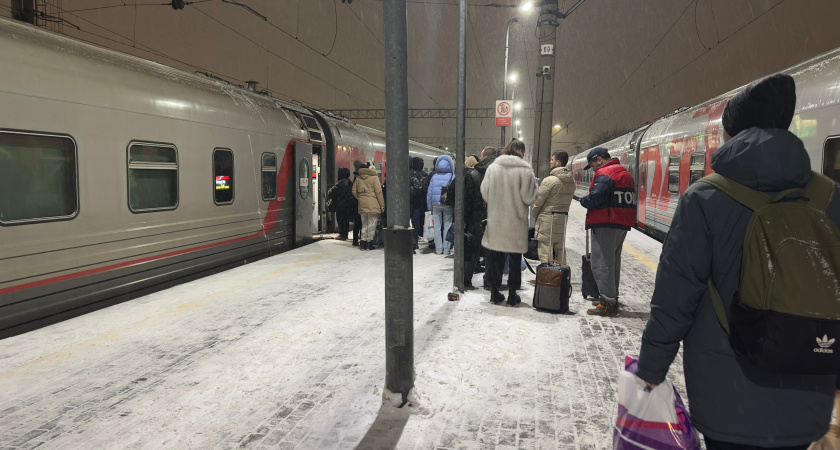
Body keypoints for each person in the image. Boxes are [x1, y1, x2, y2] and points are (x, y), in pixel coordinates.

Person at [636, 74, 840, 449]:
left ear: (729, 135)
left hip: (728, 397)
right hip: (809, 387)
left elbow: (674, 302)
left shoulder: (703, 199)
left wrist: (650, 371)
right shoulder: (830, 198)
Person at [579, 146, 636, 317]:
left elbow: (596, 197)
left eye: (593, 165)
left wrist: (584, 200)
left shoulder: (606, 173)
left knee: (602, 263)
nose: (594, 169)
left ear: (599, 159)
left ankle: (608, 302)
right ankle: (610, 297)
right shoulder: (623, 172)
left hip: (606, 222)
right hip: (620, 222)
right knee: (612, 263)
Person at [480, 139, 538, 306]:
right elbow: (529, 198)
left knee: (495, 258)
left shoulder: (493, 168)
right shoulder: (526, 170)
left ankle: (494, 293)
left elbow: (485, 193)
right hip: (516, 222)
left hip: (497, 220)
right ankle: (512, 296)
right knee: (514, 260)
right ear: (522, 152)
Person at [533, 151, 575, 264]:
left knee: (545, 253)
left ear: (558, 162)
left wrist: (534, 214)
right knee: (560, 253)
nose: (550, 162)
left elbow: (538, 202)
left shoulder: (549, 181)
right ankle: (562, 278)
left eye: (552, 160)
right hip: (562, 221)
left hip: (547, 222)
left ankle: (548, 279)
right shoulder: (571, 182)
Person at [465, 146, 497, 288]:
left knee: (474, 249)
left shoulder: (474, 175)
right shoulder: (501, 173)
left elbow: (468, 200)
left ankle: (466, 280)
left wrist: (465, 220)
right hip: (496, 217)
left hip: (477, 218)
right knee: (493, 251)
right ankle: (489, 282)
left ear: (483, 156)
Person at [351, 162, 384, 251]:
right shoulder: (374, 178)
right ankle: (369, 243)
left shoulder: (358, 178)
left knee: (364, 224)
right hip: (373, 204)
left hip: (362, 204)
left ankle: (363, 243)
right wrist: (382, 205)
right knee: (371, 224)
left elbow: (353, 191)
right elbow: (378, 192)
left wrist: (361, 198)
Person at [426, 155, 455, 255]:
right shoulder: (452, 176)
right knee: (447, 226)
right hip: (448, 204)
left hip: (436, 205)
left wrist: (429, 207)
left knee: (437, 227)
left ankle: (438, 249)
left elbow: (429, 193)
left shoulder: (434, 176)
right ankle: (446, 250)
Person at [328, 167, 353, 240]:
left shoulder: (341, 182)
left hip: (341, 204)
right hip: (348, 204)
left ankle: (342, 235)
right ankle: (345, 234)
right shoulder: (349, 182)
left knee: (341, 219)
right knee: (345, 220)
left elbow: (331, 192)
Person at [409, 157, 426, 250]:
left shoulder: (400, 173)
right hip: (416, 203)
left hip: (404, 204)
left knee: (405, 224)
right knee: (416, 223)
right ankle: (414, 243)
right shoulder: (416, 175)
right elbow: (420, 188)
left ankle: (406, 243)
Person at [351, 160, 365, 246]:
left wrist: (358, 198)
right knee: (365, 222)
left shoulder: (357, 177)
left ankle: (355, 240)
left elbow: (353, 190)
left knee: (358, 222)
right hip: (365, 203)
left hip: (358, 203)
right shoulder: (368, 177)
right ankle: (363, 240)